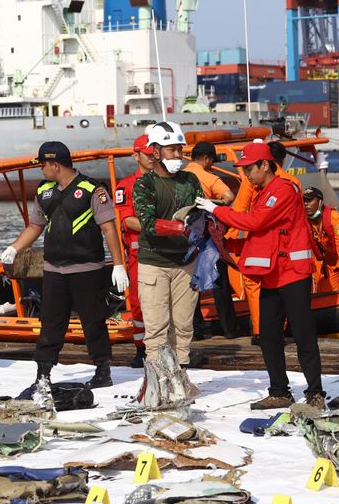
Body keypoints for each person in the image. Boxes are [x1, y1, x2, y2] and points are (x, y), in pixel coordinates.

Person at [196, 142, 324, 410]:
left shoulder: (284, 190)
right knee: (268, 337)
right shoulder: (262, 192)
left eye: (248, 169)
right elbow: (258, 230)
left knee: (303, 335)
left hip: (293, 274)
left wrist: (215, 209)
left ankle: (315, 393)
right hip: (271, 274)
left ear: (264, 165)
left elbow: (255, 223)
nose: (245, 174)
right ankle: (279, 391)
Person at [2, 141, 128, 387]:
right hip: (53, 270)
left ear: (55, 165)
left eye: (43, 165)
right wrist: (14, 248)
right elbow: (35, 226)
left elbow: (108, 229)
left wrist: (118, 265)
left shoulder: (93, 189)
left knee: (93, 321)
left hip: (86, 269)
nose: (41, 170)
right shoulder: (43, 191)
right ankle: (43, 375)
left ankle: (103, 370)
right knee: (50, 323)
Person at [133, 121, 203, 368]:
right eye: (171, 150)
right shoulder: (144, 184)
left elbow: (201, 211)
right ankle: (158, 378)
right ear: (155, 151)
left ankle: (180, 371)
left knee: (183, 325)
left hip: (186, 263)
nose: (178, 155)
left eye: (180, 150)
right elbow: (148, 223)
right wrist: (179, 226)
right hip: (154, 263)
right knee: (156, 328)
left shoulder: (191, 180)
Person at [187, 141, 238, 339]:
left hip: (184, 236)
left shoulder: (180, 176)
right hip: (207, 236)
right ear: (207, 159)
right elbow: (228, 196)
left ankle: (196, 331)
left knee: (190, 284)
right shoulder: (208, 177)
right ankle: (230, 330)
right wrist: (209, 204)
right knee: (219, 282)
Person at [114, 134, 155, 367]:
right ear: (136, 155)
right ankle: (141, 349)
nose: (152, 159)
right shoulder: (126, 186)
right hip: (140, 253)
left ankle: (166, 347)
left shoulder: (168, 182)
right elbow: (127, 221)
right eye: (147, 155)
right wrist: (161, 227)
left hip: (167, 252)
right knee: (139, 303)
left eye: (154, 154)